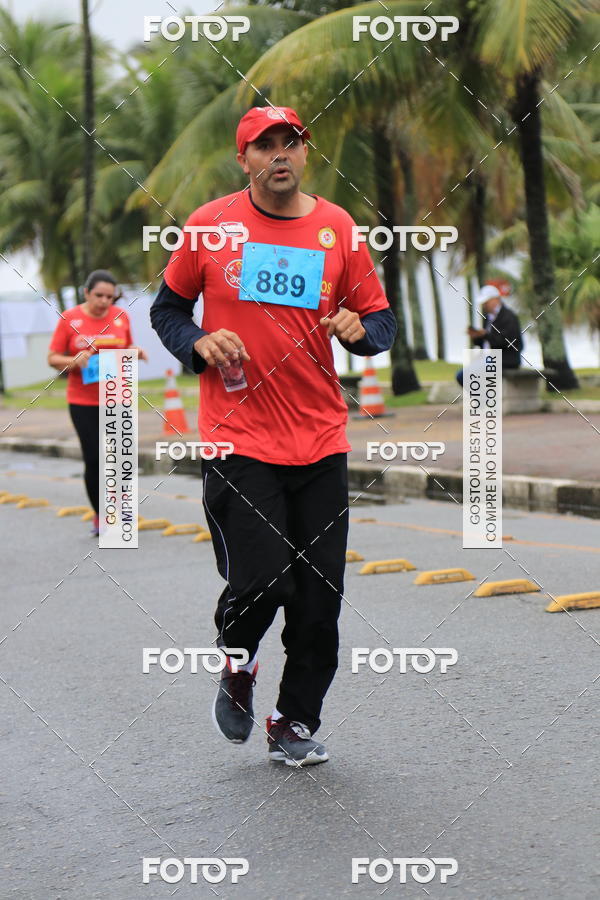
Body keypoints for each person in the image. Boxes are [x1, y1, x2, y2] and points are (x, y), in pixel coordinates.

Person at [150, 105, 397, 766]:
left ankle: (291, 720)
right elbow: (167, 310)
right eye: (267, 146)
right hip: (238, 439)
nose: (281, 154)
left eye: (292, 143)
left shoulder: (337, 228)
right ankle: (238, 665)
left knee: (318, 603)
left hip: (320, 441)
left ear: (305, 154)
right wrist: (198, 342)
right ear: (246, 160)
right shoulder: (210, 226)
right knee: (263, 583)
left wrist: (362, 334)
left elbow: (379, 320)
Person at [48, 270, 148, 536]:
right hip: (83, 401)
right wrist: (72, 361)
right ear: (86, 293)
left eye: (110, 296)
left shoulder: (120, 317)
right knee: (94, 459)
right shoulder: (70, 319)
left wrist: (136, 353)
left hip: (117, 397)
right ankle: (100, 515)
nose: (105, 301)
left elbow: (126, 348)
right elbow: (52, 357)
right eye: (99, 296)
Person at [456, 283, 523, 385]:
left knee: (464, 376)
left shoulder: (509, 317)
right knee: (464, 375)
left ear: (495, 299)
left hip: (506, 360)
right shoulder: (489, 318)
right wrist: (477, 337)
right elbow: (486, 343)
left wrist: (485, 335)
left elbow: (505, 342)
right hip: (489, 358)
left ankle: (483, 399)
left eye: (486, 302)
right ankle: (483, 399)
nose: (484, 305)